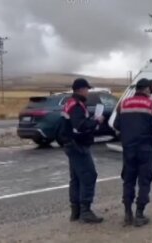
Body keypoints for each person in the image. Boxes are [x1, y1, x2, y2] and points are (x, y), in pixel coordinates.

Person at [113, 78, 152, 227]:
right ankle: (140, 214)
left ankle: (127, 213)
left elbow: (116, 125)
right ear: (147, 89)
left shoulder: (123, 103)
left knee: (128, 180)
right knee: (144, 181)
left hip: (128, 148)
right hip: (145, 149)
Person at [60, 78, 105, 223]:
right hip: (78, 146)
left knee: (76, 178)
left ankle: (76, 211)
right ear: (80, 90)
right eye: (87, 89)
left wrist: (90, 120)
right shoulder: (77, 106)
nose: (88, 92)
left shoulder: (70, 103)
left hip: (71, 144)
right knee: (88, 175)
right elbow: (80, 125)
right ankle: (85, 210)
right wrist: (96, 121)